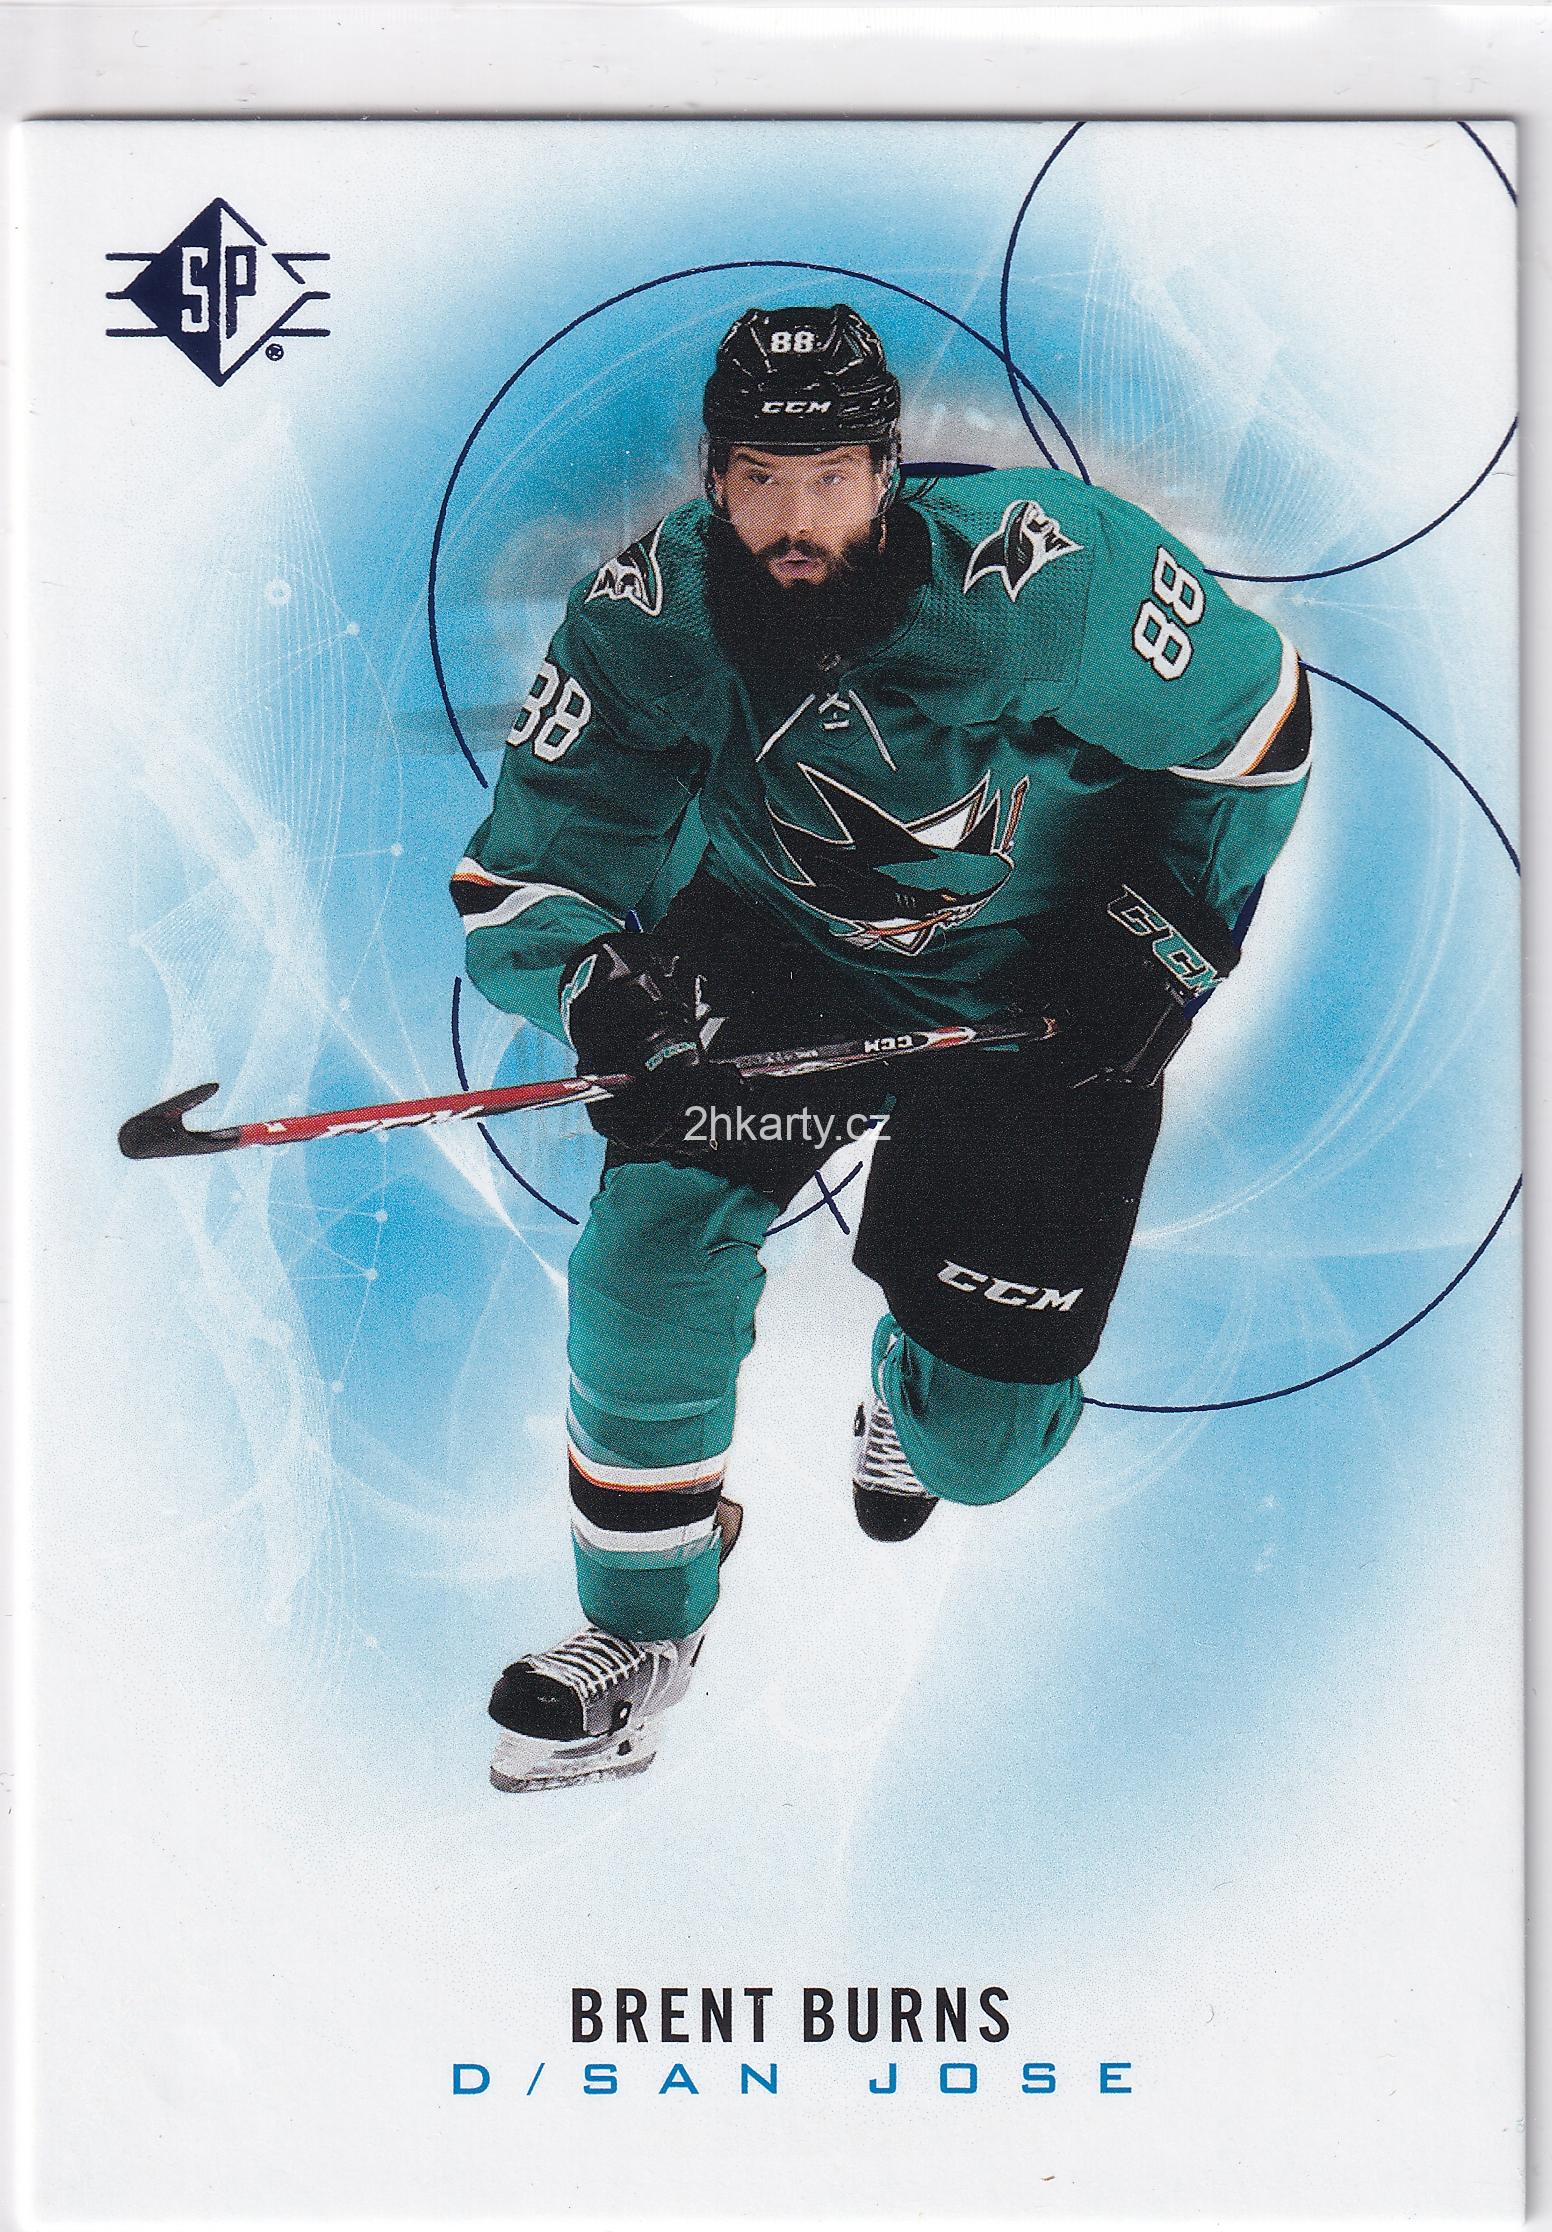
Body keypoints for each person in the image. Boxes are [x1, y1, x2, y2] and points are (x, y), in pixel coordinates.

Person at [451, 304, 1311, 1794]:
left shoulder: (1052, 577)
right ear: (715, 479)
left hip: (1043, 996)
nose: (795, 524)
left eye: (831, 482)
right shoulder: (648, 617)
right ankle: (641, 1630)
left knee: (982, 1454)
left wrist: (1162, 943)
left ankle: (921, 1378)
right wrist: (599, 987)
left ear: (888, 473)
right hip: (777, 962)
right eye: (760, 483)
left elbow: (1260, 730)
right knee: (649, 1250)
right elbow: (530, 867)